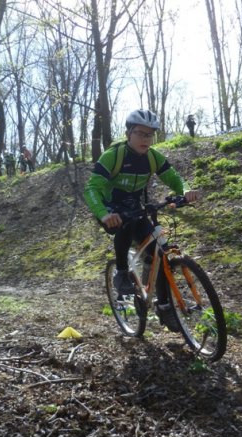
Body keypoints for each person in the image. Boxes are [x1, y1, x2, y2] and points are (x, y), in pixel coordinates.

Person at [84, 109, 199, 332]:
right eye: (140, 133)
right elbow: (91, 189)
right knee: (125, 225)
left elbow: (172, 177)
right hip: (111, 208)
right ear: (128, 133)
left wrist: (185, 190)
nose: (146, 139)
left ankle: (164, 307)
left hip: (135, 206)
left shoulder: (153, 157)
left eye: (150, 135)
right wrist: (103, 214)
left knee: (159, 252)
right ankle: (121, 272)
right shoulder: (113, 155)